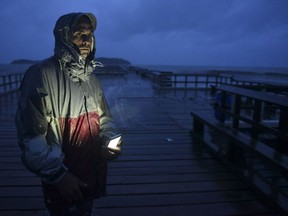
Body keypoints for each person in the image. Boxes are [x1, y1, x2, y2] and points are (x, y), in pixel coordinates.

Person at [15, 12, 122, 216]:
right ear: (63, 36)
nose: (85, 39)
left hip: (92, 173)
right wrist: (58, 175)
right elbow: (31, 137)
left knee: (85, 211)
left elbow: (104, 119)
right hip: (63, 180)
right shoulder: (40, 74)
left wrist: (110, 140)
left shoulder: (91, 78)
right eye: (78, 33)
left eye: (89, 34)